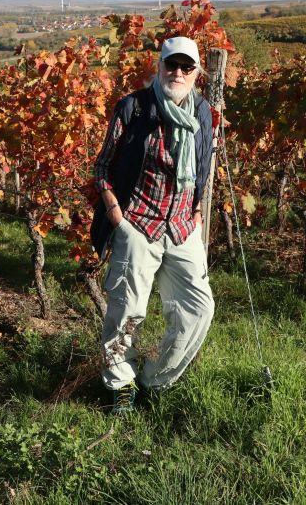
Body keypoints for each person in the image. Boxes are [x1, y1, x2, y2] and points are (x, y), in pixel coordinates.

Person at [90, 36, 216, 415]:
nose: (177, 72)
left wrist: (195, 212)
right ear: (159, 67)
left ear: (197, 73)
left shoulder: (203, 112)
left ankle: (154, 378)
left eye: (186, 66)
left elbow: (205, 166)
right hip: (139, 224)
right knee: (126, 310)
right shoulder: (134, 108)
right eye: (170, 65)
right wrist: (117, 218)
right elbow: (103, 167)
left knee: (200, 308)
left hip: (180, 227)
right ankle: (121, 382)